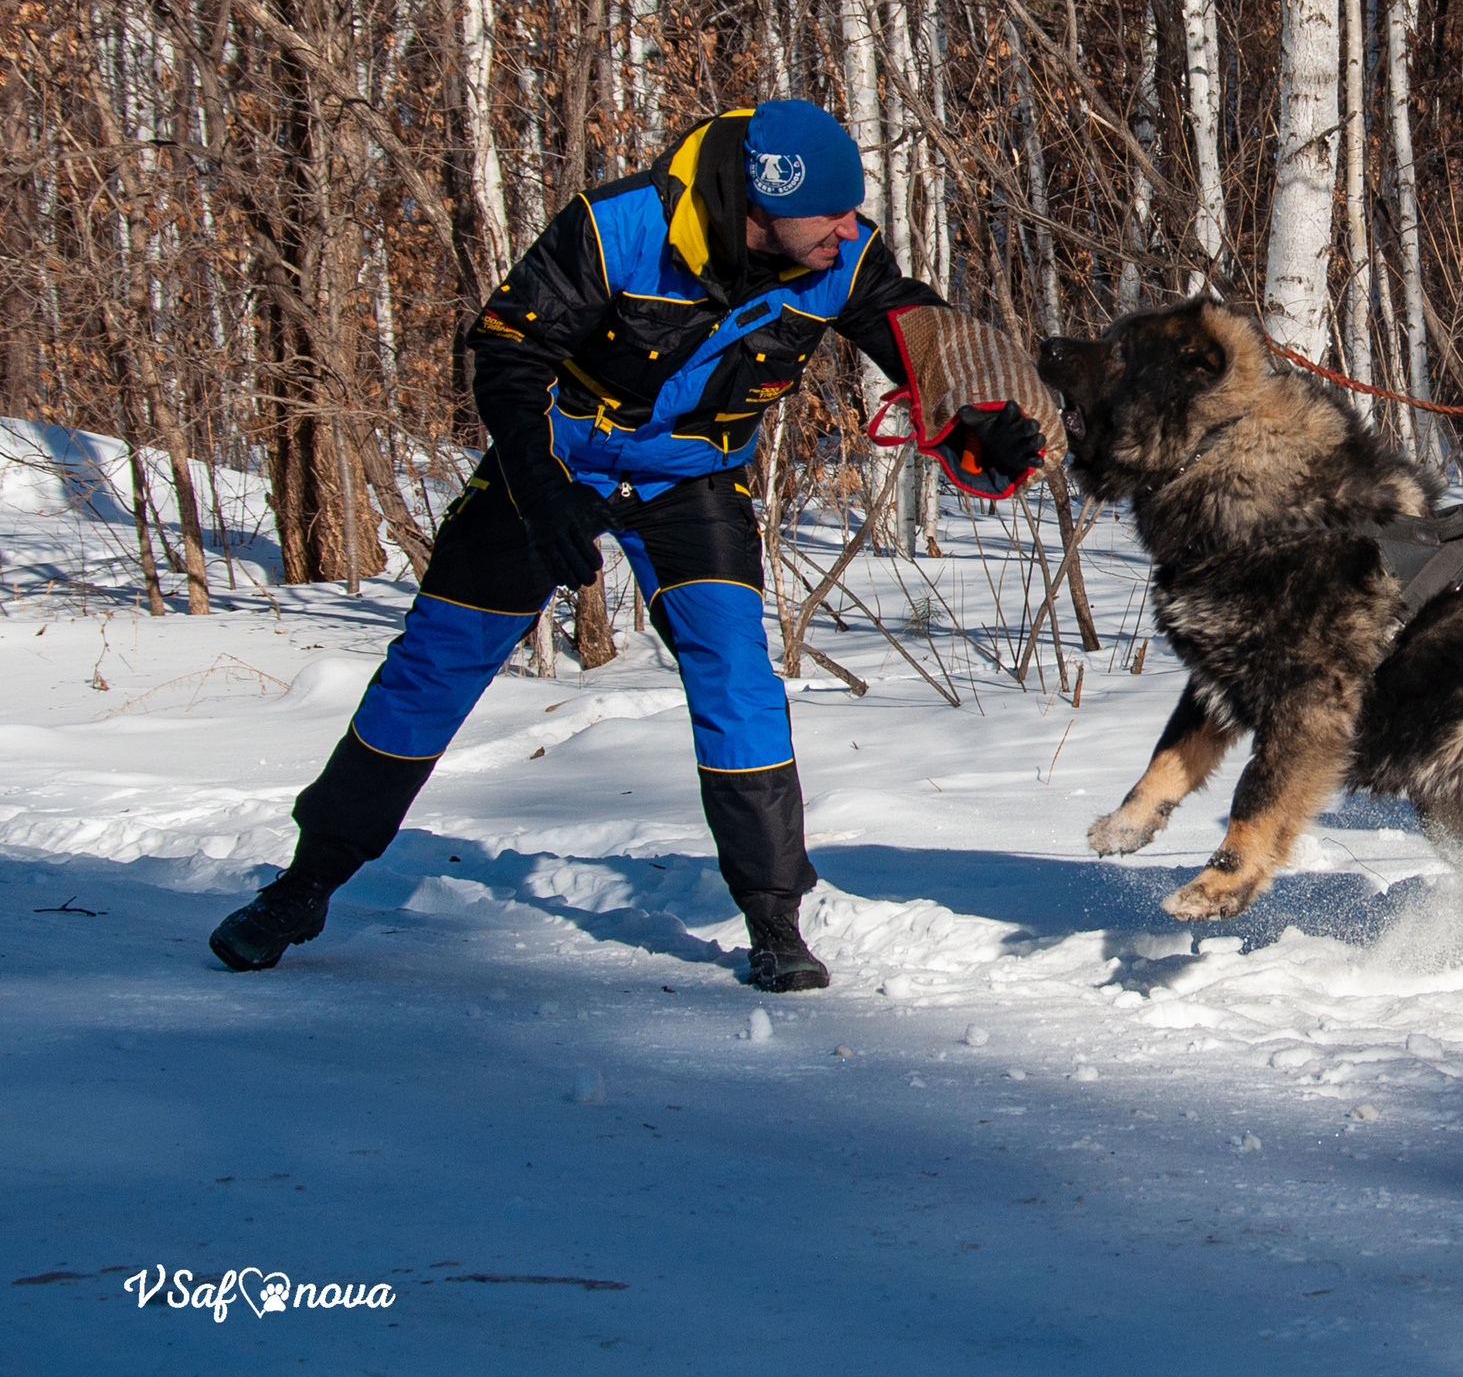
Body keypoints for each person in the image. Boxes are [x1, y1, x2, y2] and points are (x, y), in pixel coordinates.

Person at [210, 99, 1050, 992]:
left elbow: (919, 330)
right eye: (834, 216)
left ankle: (774, 920)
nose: (852, 233)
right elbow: (506, 353)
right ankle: (303, 886)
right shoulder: (620, 229)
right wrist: (536, 492)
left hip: (690, 479)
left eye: (854, 214)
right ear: (762, 208)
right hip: (556, 459)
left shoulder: (840, 257)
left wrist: (981, 417)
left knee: (736, 672)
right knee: (435, 663)